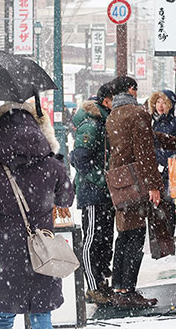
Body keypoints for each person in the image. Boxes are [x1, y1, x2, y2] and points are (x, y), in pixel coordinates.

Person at [0, 102, 73, 329]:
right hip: (43, 249)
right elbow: (66, 200)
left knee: (3, 316)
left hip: (6, 251)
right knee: (41, 315)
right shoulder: (52, 164)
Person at [105, 77, 176, 309]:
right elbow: (145, 151)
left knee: (124, 234)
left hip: (119, 181)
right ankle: (129, 292)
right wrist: (154, 185)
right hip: (135, 182)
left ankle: (120, 289)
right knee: (134, 236)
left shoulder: (114, 115)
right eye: (135, 88)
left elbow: (149, 138)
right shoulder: (137, 113)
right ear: (130, 90)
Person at [70, 83, 115, 306]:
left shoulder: (103, 121)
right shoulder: (92, 124)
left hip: (103, 192)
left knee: (104, 239)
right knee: (92, 239)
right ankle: (93, 286)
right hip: (93, 193)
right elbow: (80, 159)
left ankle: (99, 283)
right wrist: (101, 180)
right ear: (106, 100)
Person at [148, 90, 176, 248]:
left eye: (164, 102)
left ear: (170, 104)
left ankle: (166, 242)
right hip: (153, 172)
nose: (160, 106)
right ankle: (157, 244)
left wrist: (167, 163)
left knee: (168, 207)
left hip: (169, 172)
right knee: (154, 208)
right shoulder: (149, 123)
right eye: (157, 102)